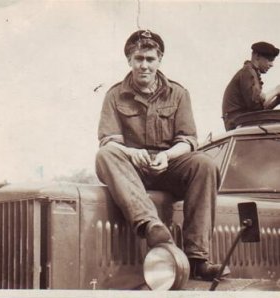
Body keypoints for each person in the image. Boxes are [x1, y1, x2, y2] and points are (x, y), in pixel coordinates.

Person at [95, 29, 229, 281]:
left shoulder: (178, 94)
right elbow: (110, 141)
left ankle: (197, 259)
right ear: (129, 60)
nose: (144, 65)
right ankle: (153, 227)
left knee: (205, 165)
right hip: (131, 171)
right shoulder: (114, 95)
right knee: (104, 155)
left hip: (170, 166)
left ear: (159, 60)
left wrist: (167, 156)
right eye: (139, 59)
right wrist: (132, 153)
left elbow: (188, 141)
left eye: (150, 59)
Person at [222, 41, 280, 131]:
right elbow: (256, 107)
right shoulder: (248, 73)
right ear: (257, 56)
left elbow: (258, 109)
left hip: (241, 122)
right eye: (269, 60)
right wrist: (276, 90)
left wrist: (277, 100)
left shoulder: (251, 73)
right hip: (237, 123)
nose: (271, 65)